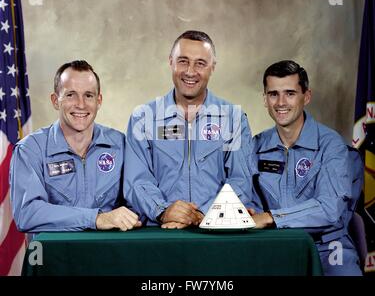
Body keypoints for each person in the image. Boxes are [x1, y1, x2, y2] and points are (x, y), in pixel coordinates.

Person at [124, 30, 254, 228]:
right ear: (171, 62)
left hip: (216, 232)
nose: (190, 71)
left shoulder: (233, 119)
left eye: (200, 63)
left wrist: (204, 215)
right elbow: (136, 180)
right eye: (183, 61)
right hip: (161, 232)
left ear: (212, 68)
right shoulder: (143, 118)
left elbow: (241, 181)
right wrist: (164, 211)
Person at [250, 60, 362, 275]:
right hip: (276, 246)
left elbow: (330, 209)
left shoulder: (331, 145)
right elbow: (248, 201)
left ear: (306, 96)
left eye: (290, 93)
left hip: (327, 248)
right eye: (273, 94)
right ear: (265, 99)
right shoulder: (255, 147)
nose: (281, 102)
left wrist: (272, 217)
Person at [10, 60, 141, 232]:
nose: (81, 104)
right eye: (71, 95)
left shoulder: (121, 145)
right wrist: (96, 219)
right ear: (56, 100)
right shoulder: (30, 150)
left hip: (111, 253)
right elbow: (27, 213)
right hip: (56, 256)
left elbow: (139, 200)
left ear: (99, 101)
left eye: (88, 95)